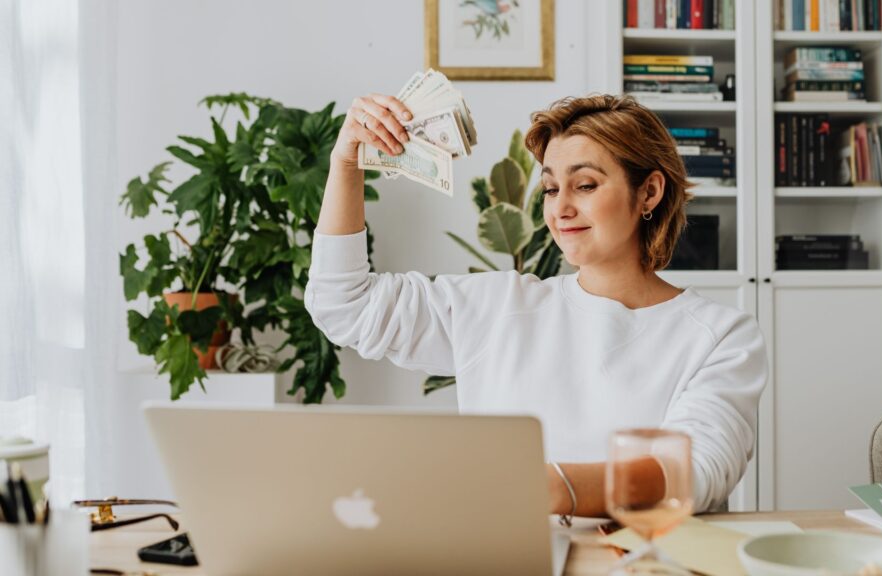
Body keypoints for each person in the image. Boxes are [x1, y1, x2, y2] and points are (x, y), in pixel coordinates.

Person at [305, 91, 768, 522]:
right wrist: (346, 165)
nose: (560, 208)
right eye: (550, 189)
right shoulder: (496, 307)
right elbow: (344, 305)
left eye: (584, 185)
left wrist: (545, 486)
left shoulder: (720, 336)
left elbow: (697, 471)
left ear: (648, 192)